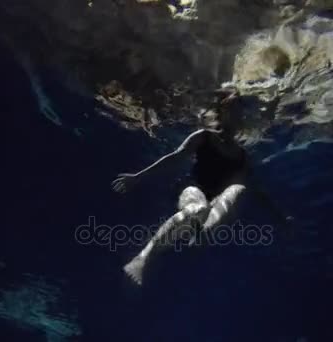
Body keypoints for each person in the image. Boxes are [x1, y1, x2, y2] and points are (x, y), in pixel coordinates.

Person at [112, 89, 293, 285]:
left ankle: (200, 239)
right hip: (192, 190)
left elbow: (257, 191)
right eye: (231, 109)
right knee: (198, 209)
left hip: (216, 200)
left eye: (239, 110)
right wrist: (138, 177)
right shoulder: (204, 136)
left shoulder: (242, 156)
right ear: (221, 112)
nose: (236, 115)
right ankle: (142, 258)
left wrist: (280, 218)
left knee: (239, 189)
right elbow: (174, 158)